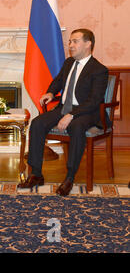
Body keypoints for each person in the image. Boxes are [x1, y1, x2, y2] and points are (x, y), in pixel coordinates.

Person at [19, 29, 109, 196]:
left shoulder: (99, 70)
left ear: (88, 44)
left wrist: (72, 114)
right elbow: (59, 81)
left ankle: (69, 177)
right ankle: (36, 174)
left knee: (76, 127)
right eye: (70, 42)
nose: (70, 45)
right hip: (63, 108)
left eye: (75, 41)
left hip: (87, 112)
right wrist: (51, 93)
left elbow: (94, 100)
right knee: (37, 124)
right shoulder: (69, 63)